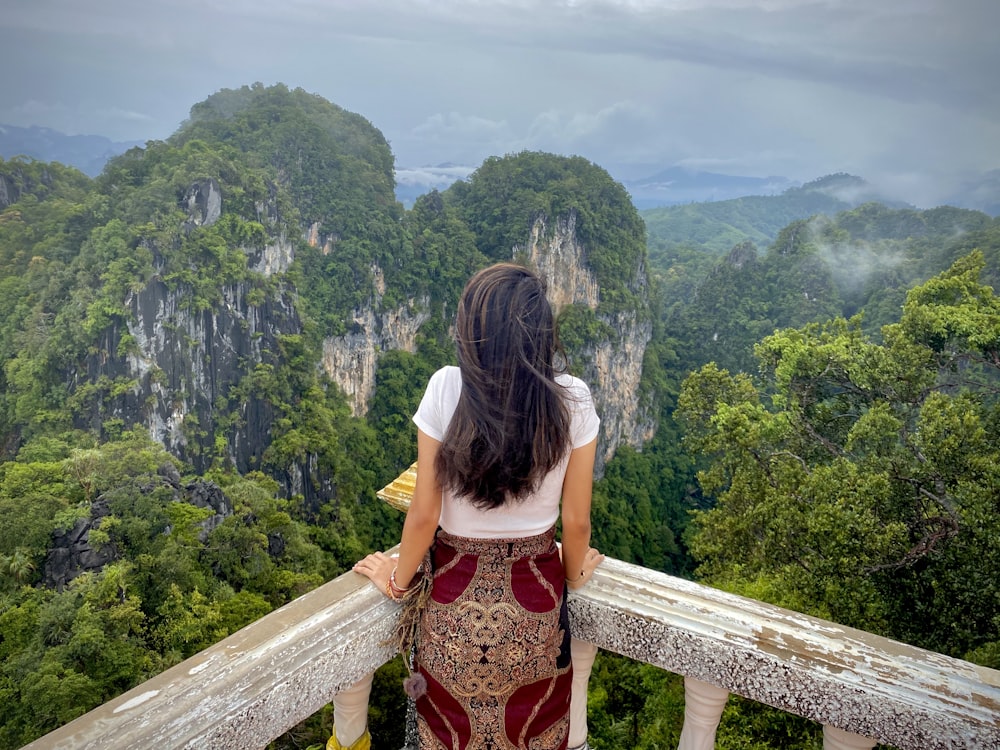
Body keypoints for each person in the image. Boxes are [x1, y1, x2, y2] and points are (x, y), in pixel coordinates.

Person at [346, 263, 604, 750]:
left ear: (473, 331)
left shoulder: (446, 386)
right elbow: (577, 521)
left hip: (453, 606)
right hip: (536, 603)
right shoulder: (573, 399)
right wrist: (574, 570)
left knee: (447, 732)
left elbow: (424, 514)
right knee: (530, 730)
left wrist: (396, 579)